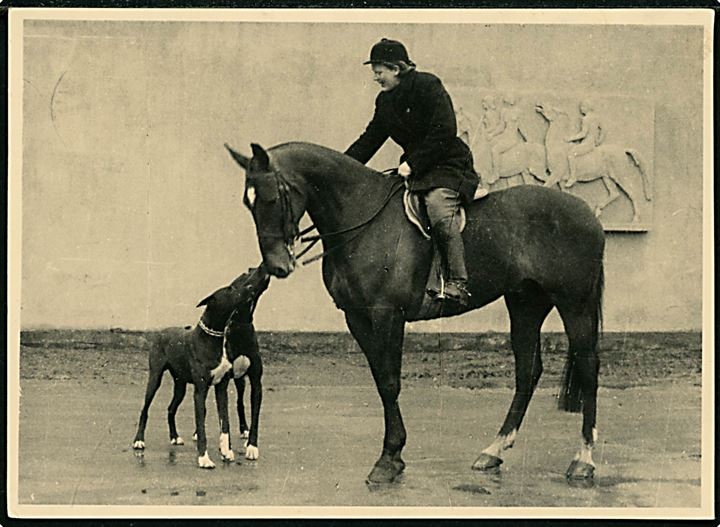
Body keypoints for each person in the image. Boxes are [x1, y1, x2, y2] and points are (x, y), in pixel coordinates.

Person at [345, 38, 480, 307]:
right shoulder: (385, 102)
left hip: (448, 164)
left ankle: (457, 282)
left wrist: (413, 164)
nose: (375, 77)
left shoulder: (428, 86)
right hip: (416, 170)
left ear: (395, 69)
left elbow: (444, 131)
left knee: (438, 206)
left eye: (378, 71)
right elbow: (370, 140)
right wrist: (340, 167)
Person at [565, 100, 604, 187]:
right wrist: (599, 140)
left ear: (587, 108)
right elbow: (603, 130)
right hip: (593, 143)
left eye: (582, 107)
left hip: (587, 144)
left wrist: (570, 139)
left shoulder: (586, 119)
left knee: (571, 154)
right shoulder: (597, 118)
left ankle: (573, 176)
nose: (581, 109)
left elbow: (583, 134)